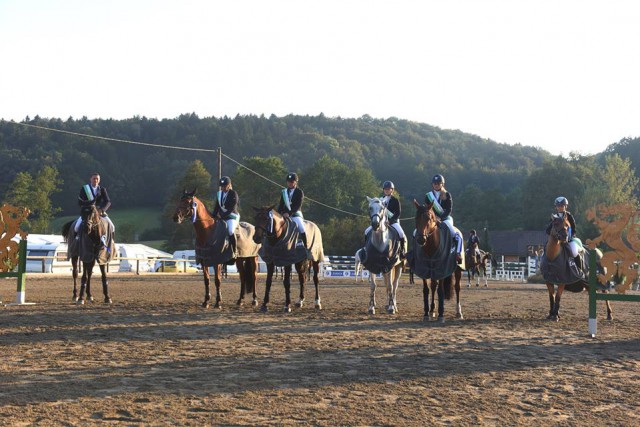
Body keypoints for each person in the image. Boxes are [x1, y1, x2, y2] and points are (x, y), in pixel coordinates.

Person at [425, 174, 463, 263]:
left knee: (455, 234)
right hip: (432, 219)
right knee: (418, 232)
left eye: (438, 183)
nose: (436, 185)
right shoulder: (428, 196)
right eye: (434, 183)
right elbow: (427, 209)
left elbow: (449, 209)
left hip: (446, 218)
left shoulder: (447, 195)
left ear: (442, 184)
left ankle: (457, 253)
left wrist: (440, 217)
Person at [364, 180, 407, 258]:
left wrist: (390, 221)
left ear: (392, 190)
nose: (387, 190)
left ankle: (402, 251)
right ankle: (365, 249)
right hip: (380, 222)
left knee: (401, 233)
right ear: (383, 190)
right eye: (385, 189)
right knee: (366, 231)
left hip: (393, 222)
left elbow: (398, 213)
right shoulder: (379, 200)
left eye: (388, 189)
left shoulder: (395, 200)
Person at [278, 172, 311, 259]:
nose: (290, 183)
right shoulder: (284, 192)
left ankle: (305, 247)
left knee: (301, 227)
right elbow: (281, 205)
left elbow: (298, 205)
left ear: (295, 182)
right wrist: (279, 213)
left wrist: (289, 213)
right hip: (284, 215)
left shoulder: (299, 192)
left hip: (295, 214)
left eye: (292, 182)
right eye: (288, 181)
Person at [212, 176, 240, 258]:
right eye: (222, 186)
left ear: (229, 185)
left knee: (230, 230)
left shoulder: (233, 193)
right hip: (222, 217)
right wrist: (213, 215)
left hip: (232, 216)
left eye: (224, 186)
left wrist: (222, 216)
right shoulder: (219, 194)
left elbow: (232, 208)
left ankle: (235, 251)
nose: (223, 188)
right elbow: (217, 206)